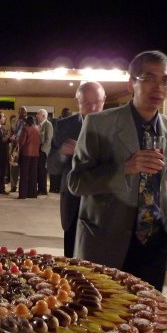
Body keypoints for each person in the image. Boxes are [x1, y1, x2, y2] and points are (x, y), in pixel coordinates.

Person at [68, 51, 167, 291]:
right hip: (106, 242)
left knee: (150, 310)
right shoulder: (100, 124)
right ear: (131, 83)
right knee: (103, 309)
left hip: (155, 245)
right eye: (149, 78)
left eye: (165, 80)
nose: (158, 87)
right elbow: (76, 182)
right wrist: (124, 169)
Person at [48, 81, 106, 257]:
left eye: (98, 102)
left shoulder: (115, 125)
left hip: (104, 205)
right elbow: (52, 167)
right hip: (73, 203)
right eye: (87, 103)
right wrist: (62, 152)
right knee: (72, 259)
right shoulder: (64, 126)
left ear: (104, 99)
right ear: (77, 101)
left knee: (101, 263)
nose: (93, 108)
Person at [18, 116, 42, 199]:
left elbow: (22, 142)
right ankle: (32, 194)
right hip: (35, 154)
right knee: (33, 174)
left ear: (26, 122)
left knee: (24, 174)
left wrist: (18, 149)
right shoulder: (37, 130)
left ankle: (23, 194)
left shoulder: (26, 129)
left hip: (26, 154)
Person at [9, 106, 27, 193]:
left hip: (24, 147)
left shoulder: (29, 121)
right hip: (14, 146)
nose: (23, 114)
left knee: (23, 167)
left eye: (24, 113)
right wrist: (11, 137)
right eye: (21, 112)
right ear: (18, 112)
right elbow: (11, 131)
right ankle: (13, 185)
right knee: (13, 166)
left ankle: (23, 187)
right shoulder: (14, 121)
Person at [36, 109, 54, 195]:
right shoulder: (39, 125)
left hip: (43, 151)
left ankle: (43, 190)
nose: (37, 116)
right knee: (39, 171)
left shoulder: (48, 125)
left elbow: (48, 139)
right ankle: (40, 189)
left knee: (42, 171)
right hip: (38, 150)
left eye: (38, 114)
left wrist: (42, 150)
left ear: (43, 115)